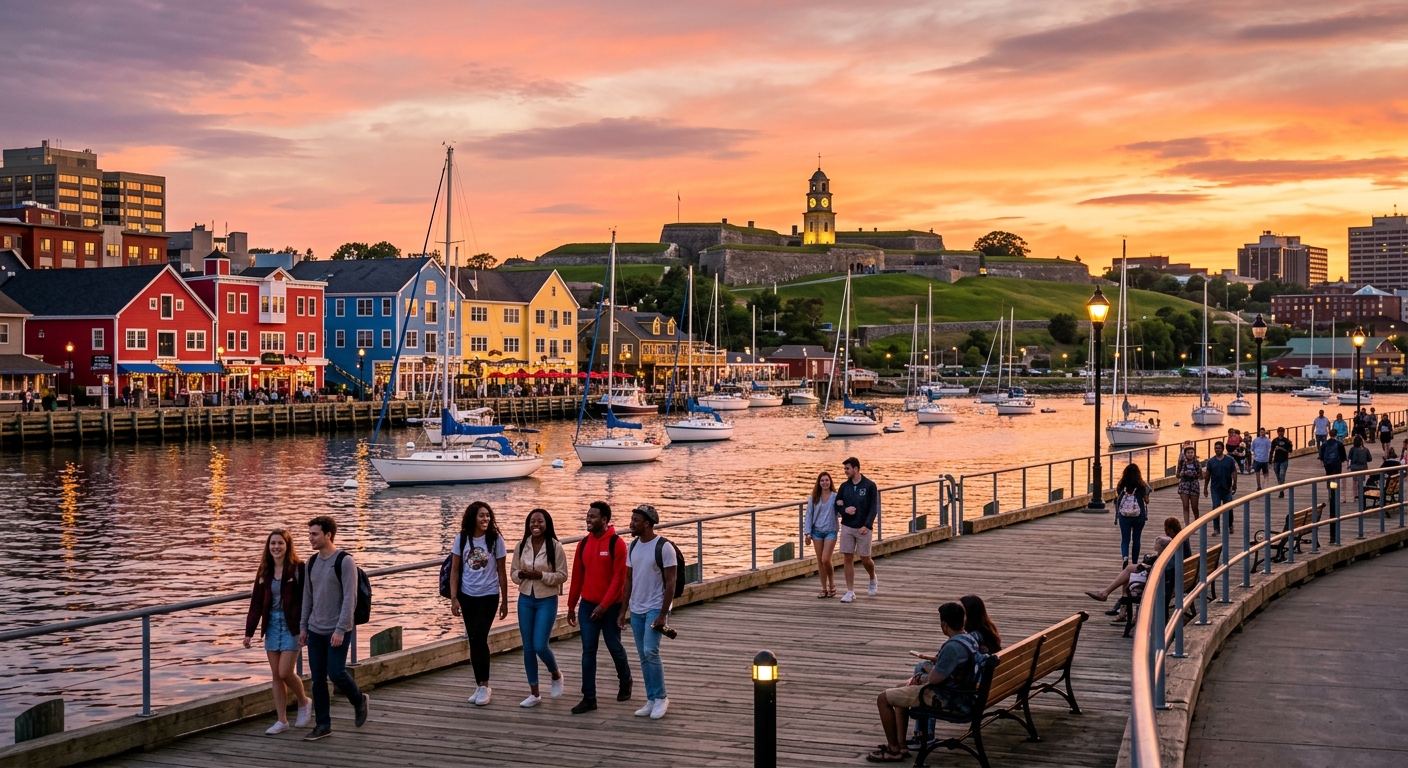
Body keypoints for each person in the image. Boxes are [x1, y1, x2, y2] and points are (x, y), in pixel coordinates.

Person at [870, 602, 978, 763]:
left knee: (883, 699)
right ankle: (902, 746)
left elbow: (933, 680)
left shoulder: (952, 647)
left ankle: (893, 750)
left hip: (948, 698)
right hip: (964, 693)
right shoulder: (970, 639)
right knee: (901, 690)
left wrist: (921, 676)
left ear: (944, 625)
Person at [299, 516, 369, 741]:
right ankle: (323, 725)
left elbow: (350, 598)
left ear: (328, 535)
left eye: (314, 534)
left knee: (336, 672)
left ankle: (359, 700)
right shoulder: (311, 562)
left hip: (339, 628)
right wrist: (303, 627)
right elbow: (307, 597)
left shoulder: (345, 561)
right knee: (318, 679)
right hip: (315, 629)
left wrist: (340, 629)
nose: (310, 538)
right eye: (310, 534)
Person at [243, 529, 312, 735]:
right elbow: (256, 603)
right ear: (268, 546)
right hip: (271, 623)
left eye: (280, 543)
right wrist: (249, 632)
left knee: (285, 672)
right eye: (272, 543)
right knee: (275, 675)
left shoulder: (298, 568)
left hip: (293, 624)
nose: (276, 547)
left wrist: (304, 627)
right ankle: (282, 720)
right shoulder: (265, 570)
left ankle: (304, 700)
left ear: (287, 545)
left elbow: (307, 599)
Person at [566, 501, 632, 714]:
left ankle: (625, 680)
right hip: (587, 605)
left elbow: (619, 580)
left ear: (604, 520)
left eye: (593, 517)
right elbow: (577, 577)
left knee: (614, 647)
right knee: (588, 650)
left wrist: (604, 606)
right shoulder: (583, 544)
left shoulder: (617, 544)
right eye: (588, 516)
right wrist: (571, 606)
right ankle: (589, 697)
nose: (589, 520)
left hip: (611, 607)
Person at [619, 504, 677, 720]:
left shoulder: (664, 547)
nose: (631, 523)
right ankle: (651, 698)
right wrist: (622, 610)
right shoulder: (632, 547)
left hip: (655, 607)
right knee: (643, 655)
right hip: (636, 608)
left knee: (651, 651)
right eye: (631, 518)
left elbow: (671, 582)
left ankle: (661, 697)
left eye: (635, 520)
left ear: (647, 523)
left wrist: (663, 613)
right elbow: (628, 579)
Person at [449, 501, 509, 707]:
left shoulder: (495, 540)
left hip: (489, 595)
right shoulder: (462, 539)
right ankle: (479, 684)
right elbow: (455, 569)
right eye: (481, 515)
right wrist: (454, 598)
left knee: (480, 636)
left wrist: (505, 601)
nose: (485, 519)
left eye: (488, 516)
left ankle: (485, 685)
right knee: (473, 638)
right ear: (473, 517)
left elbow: (501, 571)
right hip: (467, 595)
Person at [510, 508, 569, 708]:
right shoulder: (521, 546)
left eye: (540, 522)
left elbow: (562, 575)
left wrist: (541, 575)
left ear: (547, 524)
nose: (536, 525)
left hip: (546, 599)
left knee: (540, 645)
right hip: (525, 598)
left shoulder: (555, 546)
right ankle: (534, 693)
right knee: (527, 647)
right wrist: (522, 575)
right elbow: (513, 573)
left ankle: (556, 674)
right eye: (532, 522)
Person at [835, 457, 879, 603]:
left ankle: (872, 577)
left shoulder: (869, 485)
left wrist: (867, 525)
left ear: (856, 469)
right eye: (844, 469)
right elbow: (837, 505)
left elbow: (874, 508)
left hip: (863, 528)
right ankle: (850, 591)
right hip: (847, 526)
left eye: (847, 468)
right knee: (847, 557)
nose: (845, 471)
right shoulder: (844, 487)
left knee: (865, 558)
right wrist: (844, 509)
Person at [804, 471, 840, 598]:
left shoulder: (836, 497)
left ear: (830, 482)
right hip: (817, 532)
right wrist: (807, 533)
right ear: (819, 483)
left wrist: (844, 507)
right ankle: (824, 589)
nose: (825, 482)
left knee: (826, 559)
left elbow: (841, 513)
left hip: (831, 531)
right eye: (822, 480)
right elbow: (808, 516)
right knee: (820, 561)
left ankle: (832, 584)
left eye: (827, 480)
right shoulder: (814, 498)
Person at [1114, 463, 1151, 565]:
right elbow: (1147, 501)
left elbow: (1118, 497)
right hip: (1139, 516)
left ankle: (1125, 558)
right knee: (1136, 539)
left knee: (1125, 539)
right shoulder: (1142, 485)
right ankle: (1134, 562)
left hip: (1124, 516)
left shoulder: (1121, 485)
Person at [1203, 441, 1237, 534]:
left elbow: (1234, 472)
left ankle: (1230, 525)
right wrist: (1205, 488)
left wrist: (1235, 483)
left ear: (1223, 449)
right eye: (1216, 448)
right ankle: (1216, 529)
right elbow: (1208, 475)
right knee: (1215, 507)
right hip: (1215, 488)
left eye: (1219, 448)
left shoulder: (1229, 460)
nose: (1217, 450)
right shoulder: (1211, 461)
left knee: (1229, 508)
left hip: (1227, 488)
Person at [1175, 444, 1203, 526]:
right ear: (1185, 454)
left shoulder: (1196, 462)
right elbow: (1177, 475)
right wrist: (1183, 473)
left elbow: (1201, 475)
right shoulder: (1181, 462)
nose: (1190, 454)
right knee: (1185, 506)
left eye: (1192, 452)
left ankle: (1197, 522)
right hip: (1184, 485)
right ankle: (1187, 525)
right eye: (1188, 453)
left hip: (1194, 484)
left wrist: (1194, 475)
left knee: (1195, 507)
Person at [1270, 427, 1294, 497]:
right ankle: (1280, 485)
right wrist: (1270, 460)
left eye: (1282, 432)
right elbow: (1271, 451)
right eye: (1279, 432)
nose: (1280, 433)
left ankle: (1281, 491)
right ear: (1277, 432)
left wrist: (1282, 449)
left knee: (1282, 474)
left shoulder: (1287, 441)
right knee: (1277, 474)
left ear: (1284, 432)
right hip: (1276, 460)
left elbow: (1290, 450)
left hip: (1284, 460)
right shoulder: (1274, 441)